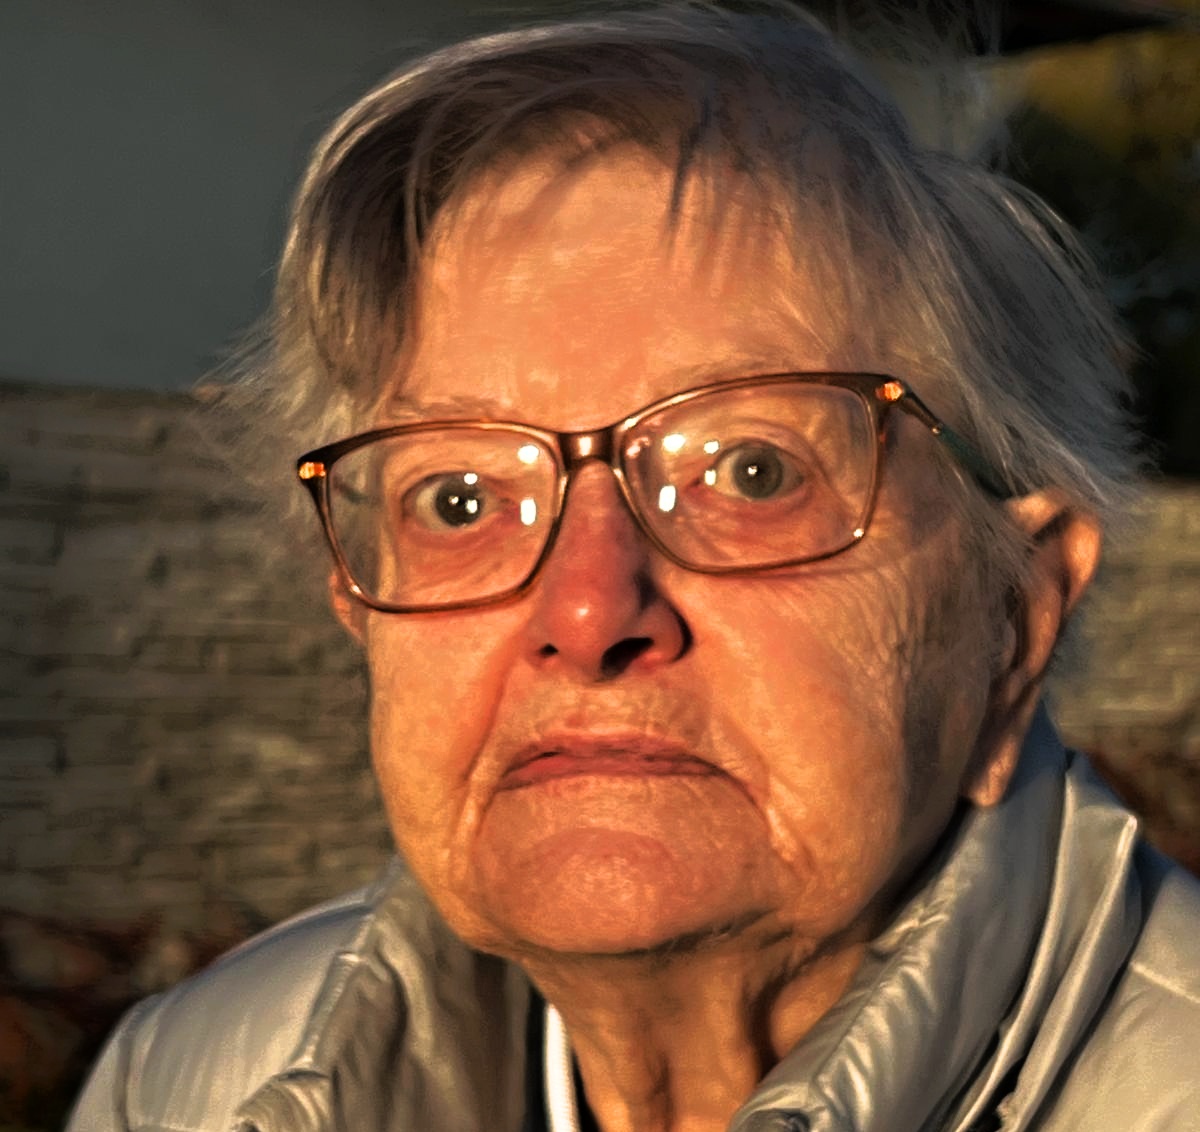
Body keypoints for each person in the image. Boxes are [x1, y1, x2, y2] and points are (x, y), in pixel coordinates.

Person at [68, 4, 1199, 1131]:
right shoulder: (183, 1087)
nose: (587, 609)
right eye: (459, 498)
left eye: (752, 471)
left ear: (1015, 620)